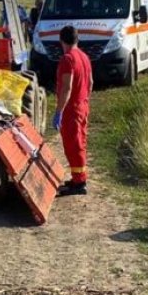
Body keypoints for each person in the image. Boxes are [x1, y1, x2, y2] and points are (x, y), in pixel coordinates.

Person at [53, 25, 92, 196]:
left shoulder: (67, 59)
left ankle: (79, 182)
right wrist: (85, 99)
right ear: (77, 39)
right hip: (82, 105)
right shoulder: (84, 56)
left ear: (61, 40)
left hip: (72, 109)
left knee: (73, 145)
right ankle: (78, 176)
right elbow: (90, 82)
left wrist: (59, 111)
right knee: (80, 142)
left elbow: (67, 87)